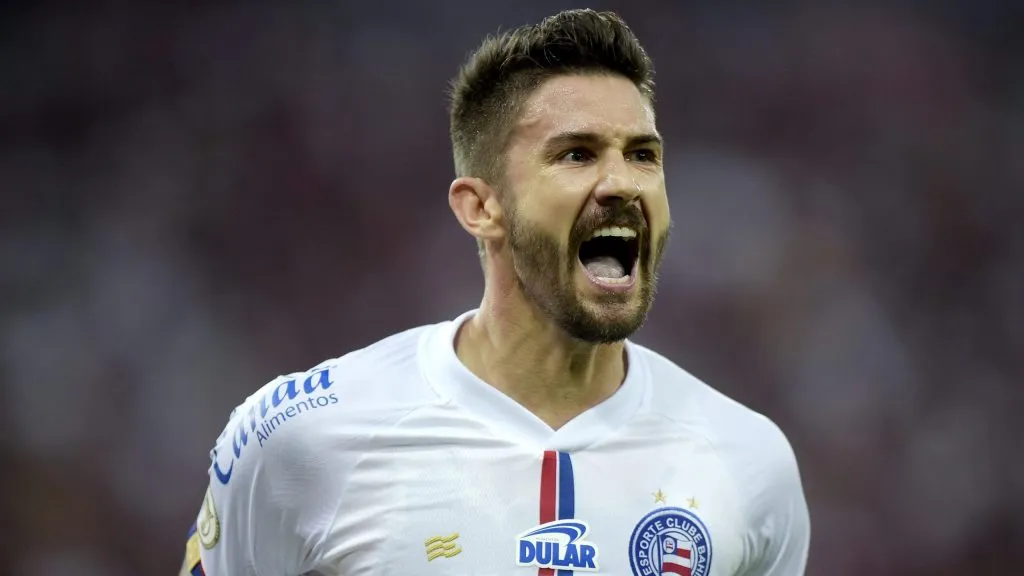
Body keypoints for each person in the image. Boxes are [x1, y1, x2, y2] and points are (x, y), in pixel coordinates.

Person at [180, 9, 810, 576]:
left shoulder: (748, 462)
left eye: (643, 155)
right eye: (576, 154)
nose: (622, 182)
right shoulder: (302, 437)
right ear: (480, 207)